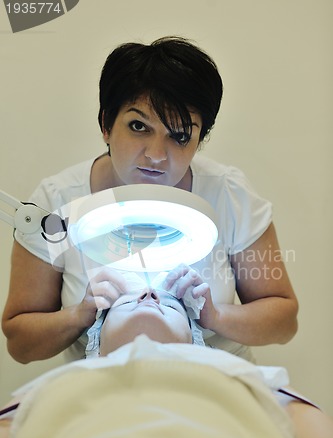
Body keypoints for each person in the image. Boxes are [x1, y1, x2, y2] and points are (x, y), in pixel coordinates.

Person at [1, 36, 298, 364]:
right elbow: (21, 344)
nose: (156, 155)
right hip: (102, 391)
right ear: (105, 124)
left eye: (180, 135)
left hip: (218, 386)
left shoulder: (227, 195)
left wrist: (214, 317)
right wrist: (80, 315)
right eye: (138, 126)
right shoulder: (58, 202)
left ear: (201, 139)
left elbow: (283, 322)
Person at [0, 295, 332, 438]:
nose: (148, 293)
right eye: (127, 301)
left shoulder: (258, 382)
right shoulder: (45, 388)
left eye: (171, 303)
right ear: (95, 346)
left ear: (196, 341)